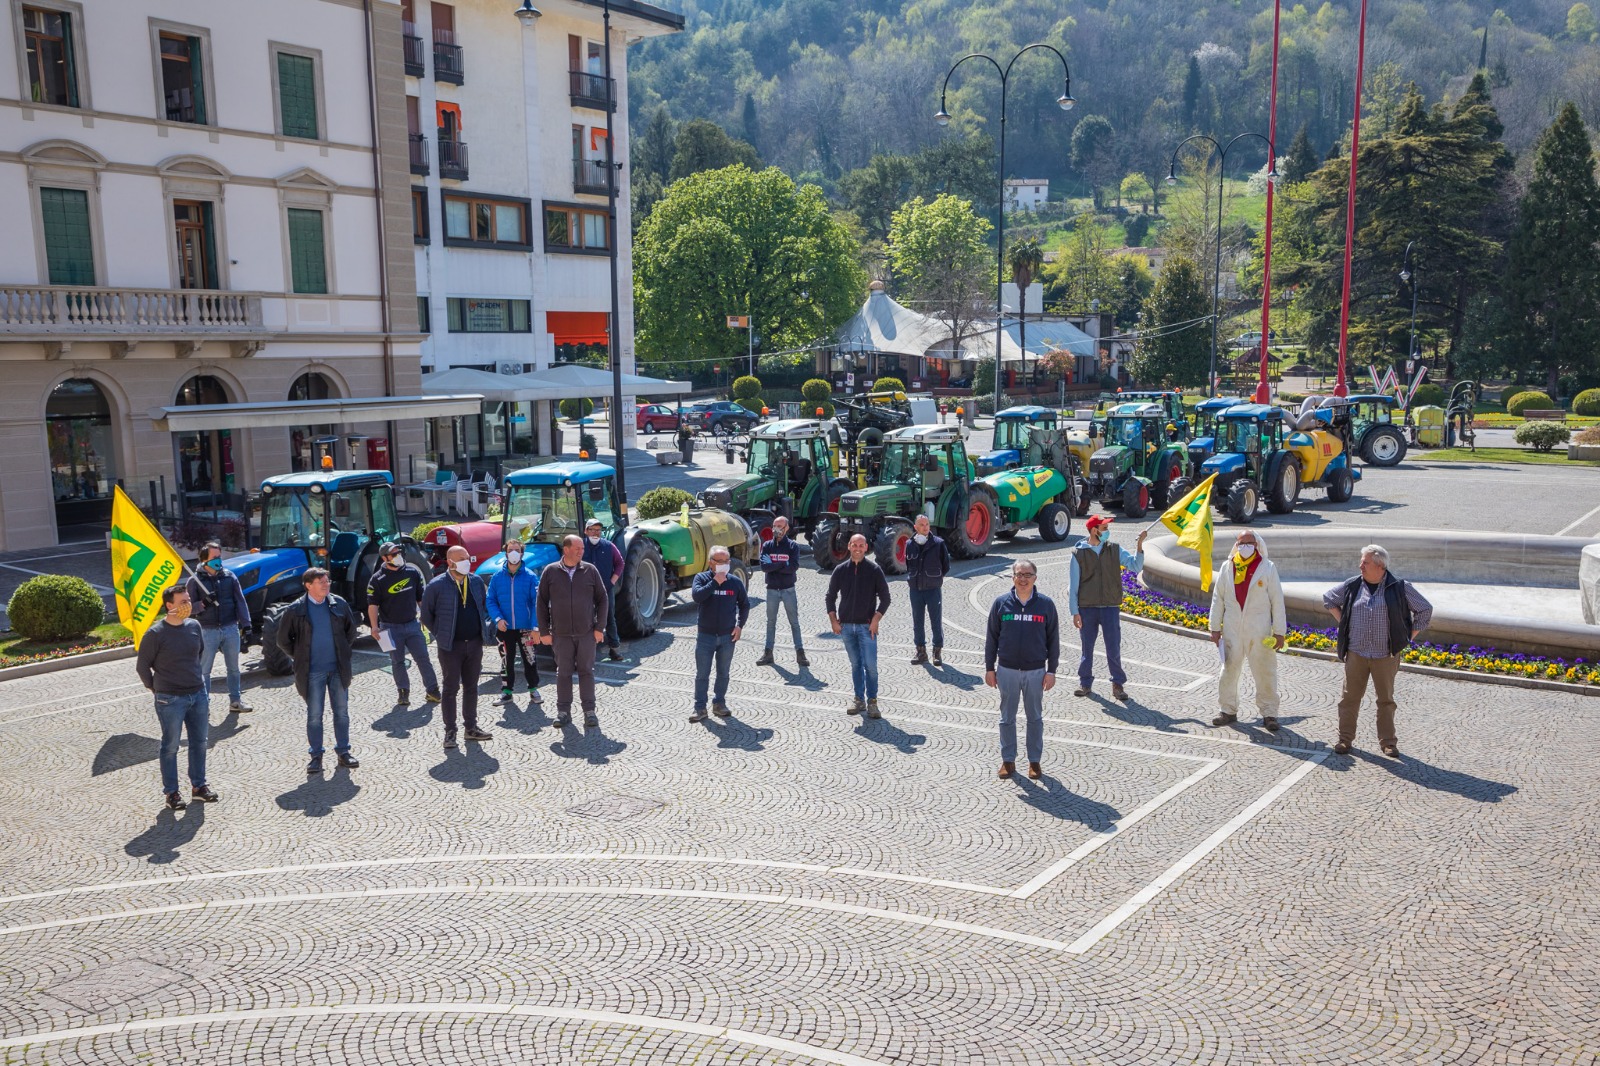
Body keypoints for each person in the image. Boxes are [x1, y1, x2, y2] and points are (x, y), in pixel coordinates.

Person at [1322, 544, 1433, 756]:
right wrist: (1344, 622)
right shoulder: (1353, 585)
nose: (1360, 566)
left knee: (1386, 701)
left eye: (1365, 562)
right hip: (1356, 653)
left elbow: (1425, 609)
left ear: (1380, 566)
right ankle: (1345, 740)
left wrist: (1407, 637)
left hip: (1386, 655)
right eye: (1361, 562)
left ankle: (1388, 743)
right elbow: (1329, 599)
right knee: (1349, 699)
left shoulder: (1399, 587)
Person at [135, 584, 218, 809]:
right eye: (183, 601)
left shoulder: (194, 626)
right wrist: (156, 689)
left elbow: (198, 654)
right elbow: (142, 667)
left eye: (189, 600)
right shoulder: (155, 634)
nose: (188, 605)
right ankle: (172, 792)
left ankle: (199, 786)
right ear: (169, 605)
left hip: (198, 694)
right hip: (169, 699)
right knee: (170, 746)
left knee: (200, 742)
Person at [276, 568, 360, 775]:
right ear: (308, 585)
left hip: (338, 670)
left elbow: (351, 631)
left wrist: (341, 652)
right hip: (312, 672)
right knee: (314, 716)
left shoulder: (338, 603)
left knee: (342, 713)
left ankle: (343, 752)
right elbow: (283, 641)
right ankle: (316, 756)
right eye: (321, 581)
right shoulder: (296, 609)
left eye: (327, 581)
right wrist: (301, 656)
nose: (326, 584)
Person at [985, 559, 1060, 780]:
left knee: (1034, 718)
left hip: (1036, 671)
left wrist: (1052, 670)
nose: (1023, 579)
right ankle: (1008, 760)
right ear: (1013, 578)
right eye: (1019, 574)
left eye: (1028, 574)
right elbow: (991, 637)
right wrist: (990, 668)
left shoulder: (1046, 605)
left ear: (1035, 578)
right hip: (1006, 670)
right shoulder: (1001, 604)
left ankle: (1034, 762)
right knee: (1006, 718)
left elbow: (1053, 639)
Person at [419, 545, 496, 750]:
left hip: (474, 644)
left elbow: (483, 606)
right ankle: (450, 731)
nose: (466, 562)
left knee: (472, 687)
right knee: (450, 689)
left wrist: (484, 632)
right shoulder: (436, 586)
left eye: (467, 558)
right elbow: (426, 616)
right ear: (450, 562)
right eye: (461, 559)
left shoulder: (476, 582)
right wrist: (442, 634)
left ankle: (470, 727)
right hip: (450, 647)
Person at [1209, 530, 1287, 732]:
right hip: (1232, 628)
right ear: (1236, 545)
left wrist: (1279, 632)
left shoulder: (1267, 568)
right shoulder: (1228, 567)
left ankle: (1269, 713)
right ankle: (1227, 710)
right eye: (1241, 543)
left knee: (1265, 671)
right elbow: (1218, 598)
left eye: (1249, 543)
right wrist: (1214, 627)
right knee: (1228, 670)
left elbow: (1277, 600)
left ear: (1257, 544)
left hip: (1260, 630)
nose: (1245, 547)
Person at [1067, 515, 1146, 700]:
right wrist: (1074, 611)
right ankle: (1085, 683)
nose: (1107, 531)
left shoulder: (1115, 549)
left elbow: (1135, 566)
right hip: (1087, 608)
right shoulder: (1078, 553)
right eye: (1104, 528)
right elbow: (1074, 585)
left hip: (1110, 607)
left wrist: (1140, 546)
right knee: (1087, 648)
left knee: (1113, 648)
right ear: (1094, 530)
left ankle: (1117, 684)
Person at [537, 533, 609, 728]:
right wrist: (544, 631)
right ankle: (563, 712)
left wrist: (599, 628)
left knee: (587, 672)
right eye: (577, 548)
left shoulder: (590, 570)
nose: (581, 551)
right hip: (560, 635)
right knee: (563, 673)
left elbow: (603, 599)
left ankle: (589, 712)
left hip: (586, 633)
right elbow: (541, 603)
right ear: (566, 549)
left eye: (582, 549)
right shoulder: (550, 572)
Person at [366, 541, 441, 706]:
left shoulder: (412, 573)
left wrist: (429, 619)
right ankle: (403, 693)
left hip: (413, 625)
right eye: (393, 554)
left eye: (398, 552)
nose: (397, 556)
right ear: (385, 558)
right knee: (397, 661)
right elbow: (373, 606)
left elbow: (421, 598)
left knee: (423, 658)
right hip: (389, 628)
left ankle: (433, 690)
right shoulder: (377, 579)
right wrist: (374, 627)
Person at [826, 533, 891, 718]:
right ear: (848, 546)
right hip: (846, 627)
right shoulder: (840, 570)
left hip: (866, 628)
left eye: (861, 545)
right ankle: (858, 699)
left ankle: (872, 701)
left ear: (866, 548)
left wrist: (876, 619)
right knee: (856, 665)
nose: (857, 548)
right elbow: (830, 597)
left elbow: (886, 598)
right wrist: (833, 620)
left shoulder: (874, 570)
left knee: (870, 666)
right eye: (854, 545)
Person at [186, 540, 252, 715]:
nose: (219, 560)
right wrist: (203, 604)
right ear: (204, 560)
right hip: (207, 630)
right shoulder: (195, 581)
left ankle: (236, 701)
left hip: (230, 627)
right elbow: (188, 609)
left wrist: (246, 625)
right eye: (215, 557)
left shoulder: (229, 576)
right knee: (204, 671)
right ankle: (204, 704)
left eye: (219, 556)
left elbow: (240, 601)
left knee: (234, 668)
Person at [689, 546, 749, 722]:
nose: (724, 565)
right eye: (719, 561)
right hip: (705, 636)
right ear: (710, 563)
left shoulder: (735, 582)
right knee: (702, 674)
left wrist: (740, 626)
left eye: (726, 561)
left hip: (727, 637)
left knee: (723, 672)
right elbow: (697, 596)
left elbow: (745, 604)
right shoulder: (701, 578)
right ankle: (700, 708)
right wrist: (715, 581)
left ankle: (719, 703)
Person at [486, 537, 541, 705]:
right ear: (505, 553)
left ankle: (533, 690)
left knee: (530, 659)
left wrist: (535, 626)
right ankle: (506, 692)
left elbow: (536, 602)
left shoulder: (531, 577)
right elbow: (490, 600)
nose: (514, 553)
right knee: (505, 661)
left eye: (517, 550)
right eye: (510, 550)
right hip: (504, 628)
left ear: (522, 553)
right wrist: (498, 619)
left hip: (525, 628)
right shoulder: (497, 577)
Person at [755, 515, 807, 668]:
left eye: (780, 526)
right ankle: (768, 653)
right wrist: (783, 563)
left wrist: (774, 564)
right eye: (774, 526)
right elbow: (764, 567)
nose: (776, 529)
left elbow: (793, 567)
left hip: (788, 589)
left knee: (794, 623)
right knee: (770, 622)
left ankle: (800, 653)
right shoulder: (767, 546)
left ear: (786, 528)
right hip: (771, 590)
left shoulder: (793, 546)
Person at [905, 514, 951, 666]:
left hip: (933, 589)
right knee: (917, 622)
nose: (925, 527)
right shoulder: (909, 544)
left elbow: (946, 566)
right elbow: (908, 564)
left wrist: (934, 579)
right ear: (915, 527)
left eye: (927, 524)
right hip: (916, 590)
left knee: (935, 622)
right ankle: (921, 652)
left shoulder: (938, 543)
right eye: (922, 525)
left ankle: (937, 652)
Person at [582, 518, 626, 662]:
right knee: (585, 619)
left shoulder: (609, 546)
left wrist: (612, 581)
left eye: (598, 530)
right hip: (585, 591)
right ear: (585, 531)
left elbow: (620, 563)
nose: (595, 533)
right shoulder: (580, 547)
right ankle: (587, 652)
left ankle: (614, 648)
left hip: (605, 590)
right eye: (592, 530)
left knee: (609, 617)